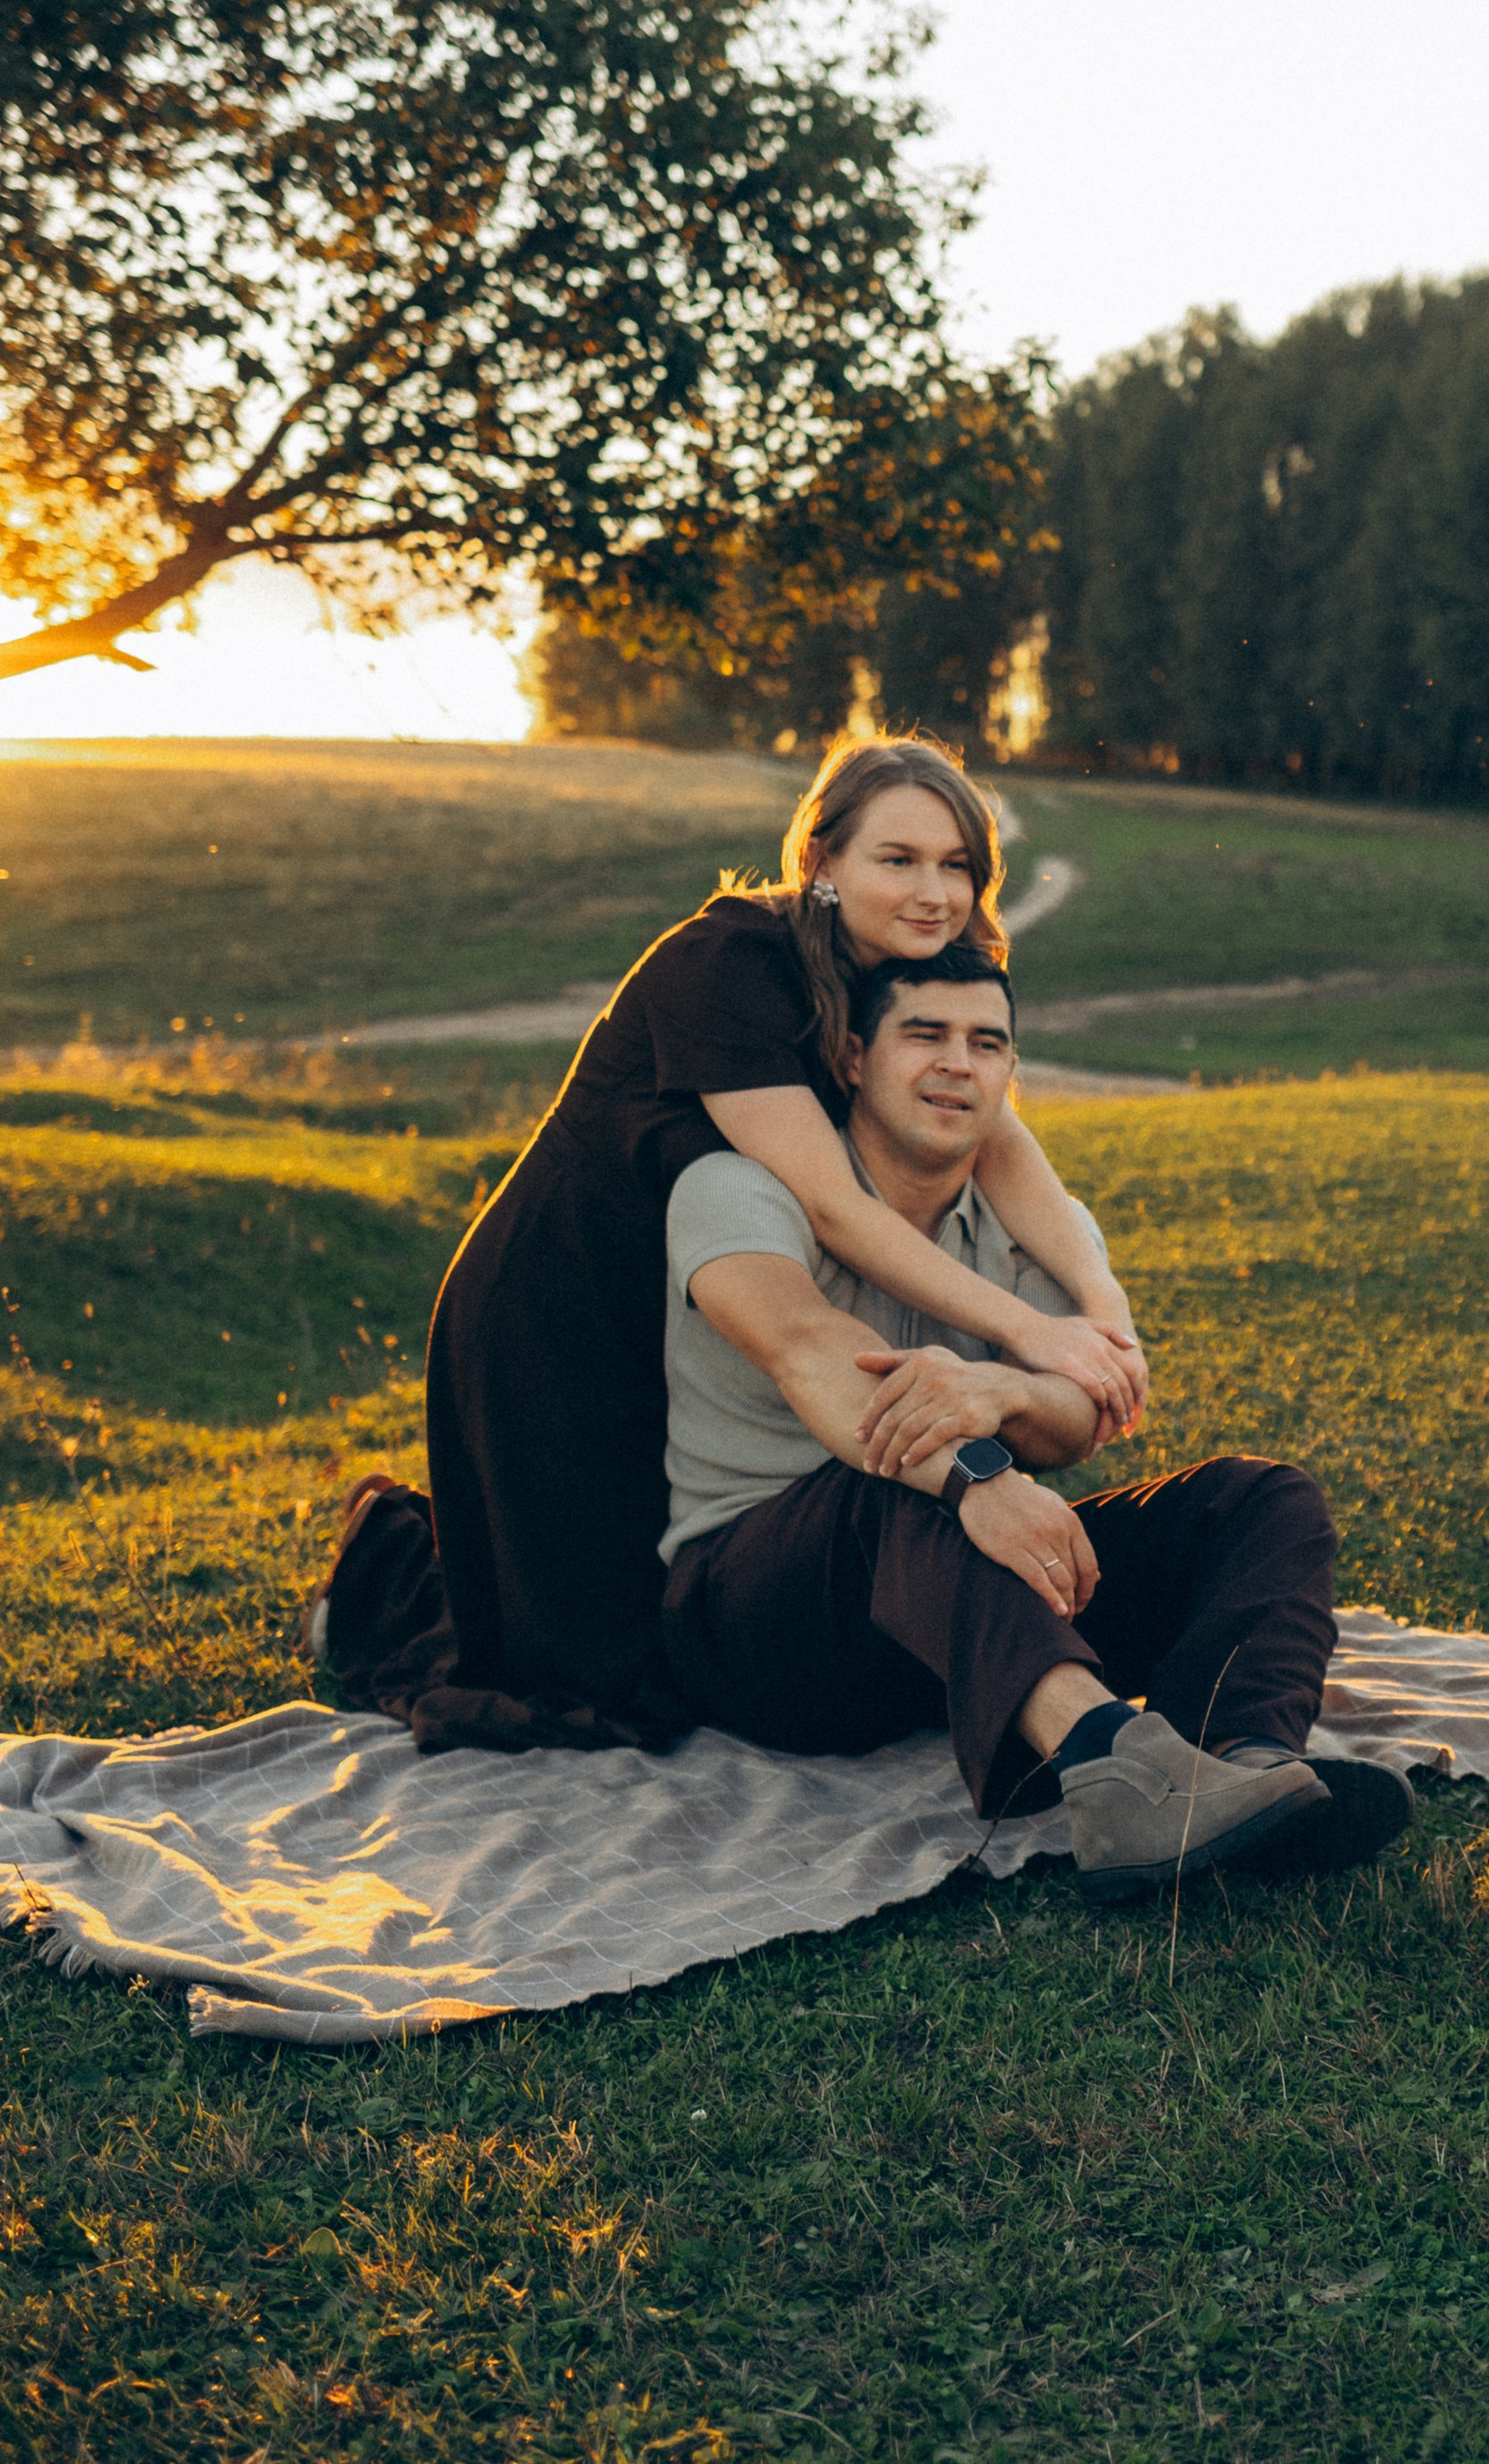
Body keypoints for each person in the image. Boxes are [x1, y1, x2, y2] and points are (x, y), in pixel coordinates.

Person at [373, 735, 1146, 1748]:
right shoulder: (728, 964)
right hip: (563, 1303)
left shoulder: (907, 982)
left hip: (697, 1287)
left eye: (958, 865)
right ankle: (373, 1577)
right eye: (898, 859)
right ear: (821, 865)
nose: (934, 893)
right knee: (576, 1662)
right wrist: (1026, 1333)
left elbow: (1004, 1145)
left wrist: (1102, 1313)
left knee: (659, 1623)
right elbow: (833, 1210)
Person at [657, 938, 1416, 1895]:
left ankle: (1241, 1764)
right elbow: (808, 1351)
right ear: (854, 1057)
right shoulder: (734, 1188)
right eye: (923, 1034)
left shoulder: (1036, 1220)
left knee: (1260, 1499)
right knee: (887, 1492)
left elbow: (1081, 1418)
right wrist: (979, 1475)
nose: (955, 1063)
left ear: (1010, 1073)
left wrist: (1007, 1393)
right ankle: (1121, 1772)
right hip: (759, 1621)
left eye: (985, 1043)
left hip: (952, 1624)